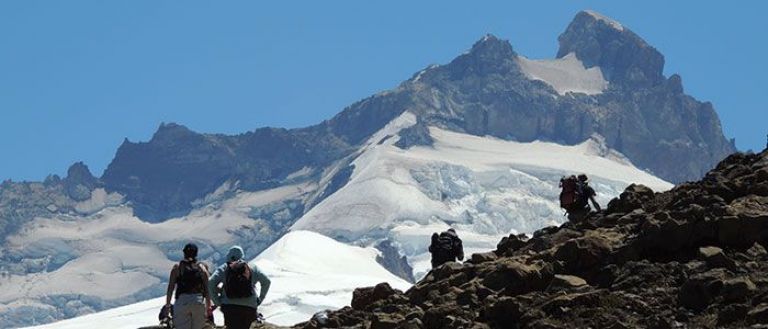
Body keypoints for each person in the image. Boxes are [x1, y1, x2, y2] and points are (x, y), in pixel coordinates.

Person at [208, 246, 271, 329]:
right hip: (249, 307)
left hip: (229, 307)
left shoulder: (224, 268)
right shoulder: (251, 267)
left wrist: (218, 302)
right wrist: (259, 299)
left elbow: (211, 283)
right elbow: (266, 281)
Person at [164, 243, 212, 329]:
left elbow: (170, 288)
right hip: (198, 301)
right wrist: (208, 307)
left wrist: (168, 305)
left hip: (182, 302)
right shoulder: (202, 268)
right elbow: (207, 289)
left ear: (184, 253)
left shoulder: (177, 268)